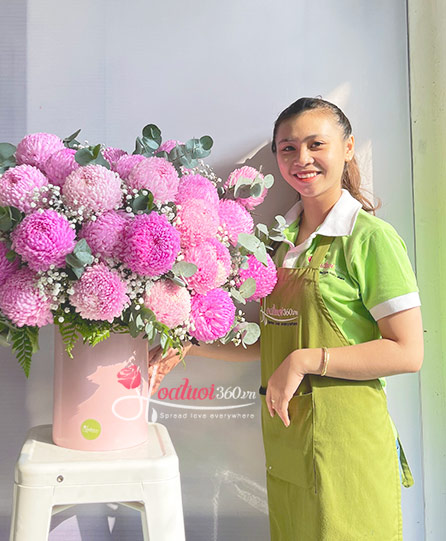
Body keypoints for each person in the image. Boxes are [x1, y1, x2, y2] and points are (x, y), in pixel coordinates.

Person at [150, 97, 423, 540]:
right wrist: (189, 343)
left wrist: (303, 361)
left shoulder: (370, 239)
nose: (302, 159)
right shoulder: (281, 245)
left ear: (348, 148)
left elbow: (408, 352)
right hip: (288, 441)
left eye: (317, 144)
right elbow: (268, 342)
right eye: (288, 149)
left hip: (347, 441)